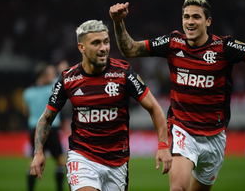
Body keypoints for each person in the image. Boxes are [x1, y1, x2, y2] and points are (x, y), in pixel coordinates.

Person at [109, 0, 245, 191]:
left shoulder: (224, 47)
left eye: (196, 16)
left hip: (215, 136)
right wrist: (118, 22)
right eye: (186, 16)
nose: (190, 21)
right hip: (183, 130)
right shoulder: (173, 43)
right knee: (178, 188)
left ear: (208, 21)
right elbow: (130, 49)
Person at [30, 20, 172, 191]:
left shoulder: (123, 72)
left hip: (117, 163)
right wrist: (38, 152)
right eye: (96, 43)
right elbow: (46, 118)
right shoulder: (68, 79)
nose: (103, 48)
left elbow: (155, 108)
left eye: (106, 41)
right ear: (81, 47)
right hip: (82, 158)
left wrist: (163, 145)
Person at [23, 62, 67, 191]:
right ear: (44, 76)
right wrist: (63, 69)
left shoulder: (27, 92)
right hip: (51, 129)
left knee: (33, 160)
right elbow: (63, 80)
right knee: (60, 160)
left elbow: (26, 111)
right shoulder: (53, 87)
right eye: (50, 73)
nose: (53, 76)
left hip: (34, 129)